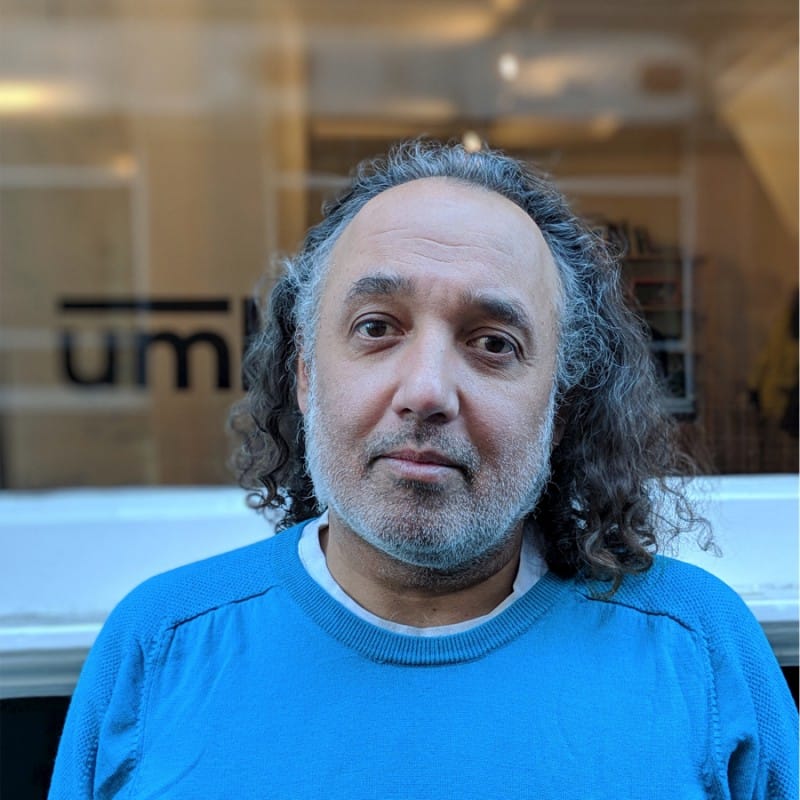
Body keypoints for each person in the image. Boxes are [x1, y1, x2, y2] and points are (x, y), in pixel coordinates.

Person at [49, 141, 797, 799]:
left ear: (562, 405)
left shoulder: (700, 651)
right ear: (306, 374)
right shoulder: (161, 646)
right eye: (377, 328)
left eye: (493, 343)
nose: (427, 390)